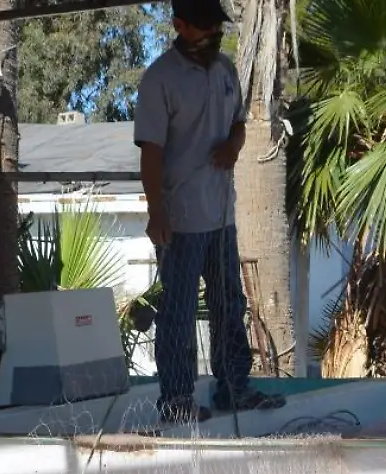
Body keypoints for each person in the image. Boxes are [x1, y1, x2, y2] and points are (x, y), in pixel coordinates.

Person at [134, 0, 285, 423]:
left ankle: (234, 388)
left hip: (221, 214)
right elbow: (151, 152)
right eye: (204, 27)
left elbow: (238, 122)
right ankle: (177, 400)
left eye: (217, 26)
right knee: (179, 312)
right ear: (180, 26)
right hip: (180, 217)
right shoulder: (160, 78)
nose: (214, 34)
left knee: (228, 306)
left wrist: (236, 144)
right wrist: (156, 211)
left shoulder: (225, 71)